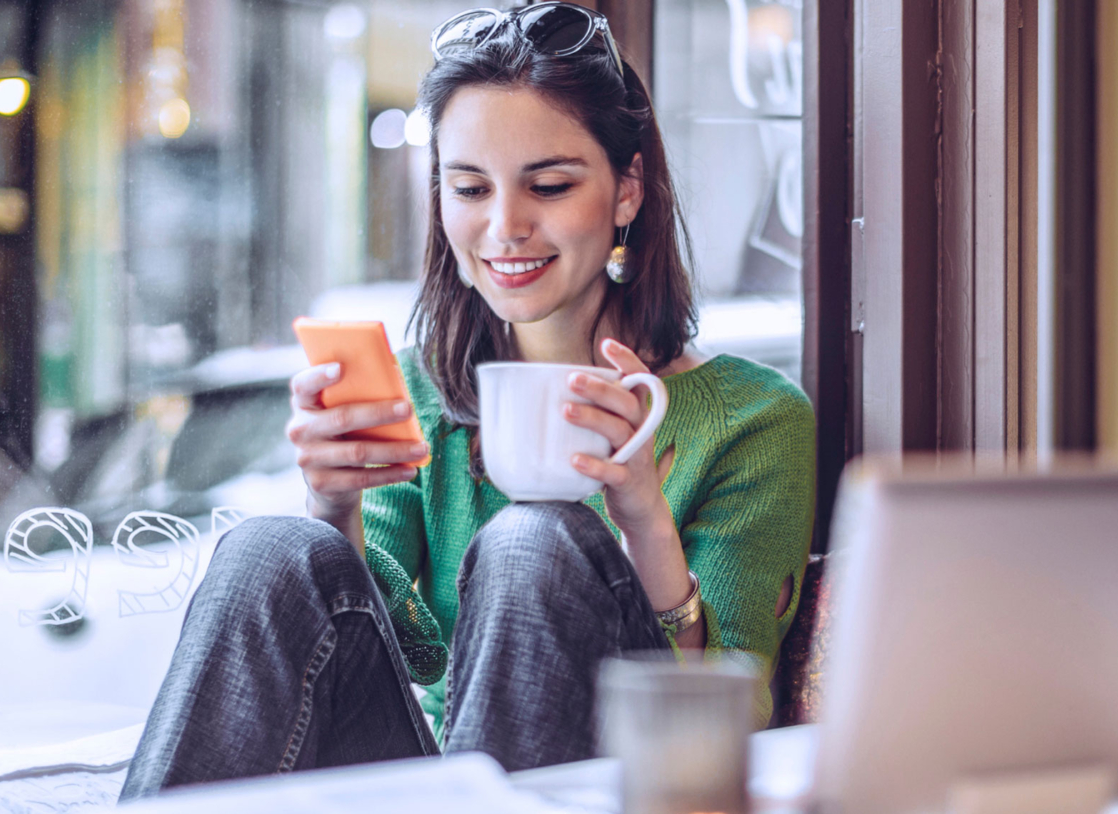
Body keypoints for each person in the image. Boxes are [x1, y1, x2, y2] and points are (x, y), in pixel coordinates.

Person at [120, 2, 814, 799]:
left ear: (628, 190)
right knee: (270, 547)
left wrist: (644, 520)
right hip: (437, 776)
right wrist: (333, 506)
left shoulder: (754, 421)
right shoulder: (421, 389)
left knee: (534, 539)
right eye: (469, 187)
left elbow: (724, 721)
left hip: (614, 784)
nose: (505, 227)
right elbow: (408, 651)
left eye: (549, 185)